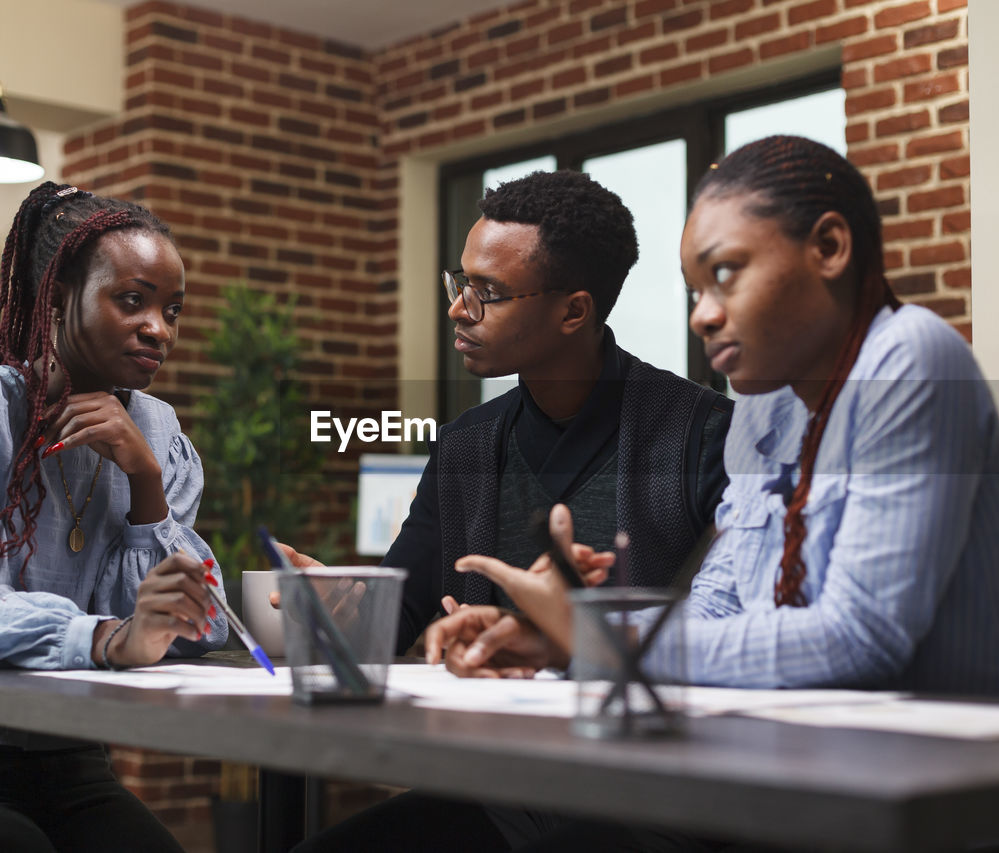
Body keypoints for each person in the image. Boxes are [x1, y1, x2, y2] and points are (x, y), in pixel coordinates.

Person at [300, 136, 999, 852]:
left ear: (828, 247)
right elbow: (719, 602)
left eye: (723, 276)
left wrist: (592, 639)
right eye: (692, 289)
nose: (702, 315)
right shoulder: (765, 411)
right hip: (824, 781)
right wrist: (553, 634)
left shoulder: (909, 356)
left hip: (994, 801)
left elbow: (861, 637)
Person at [0, 182, 228, 853]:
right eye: (132, 300)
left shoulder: (157, 433)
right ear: (58, 300)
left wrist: (145, 481)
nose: (159, 328)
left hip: (73, 761)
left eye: (171, 309)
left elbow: (190, 626)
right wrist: (109, 638)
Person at [280, 169, 732, 655]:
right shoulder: (463, 447)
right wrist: (341, 603)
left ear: (573, 312)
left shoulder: (706, 435)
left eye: (488, 293)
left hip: (642, 724)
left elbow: (730, 618)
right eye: (460, 283)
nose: (458, 309)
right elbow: (391, 620)